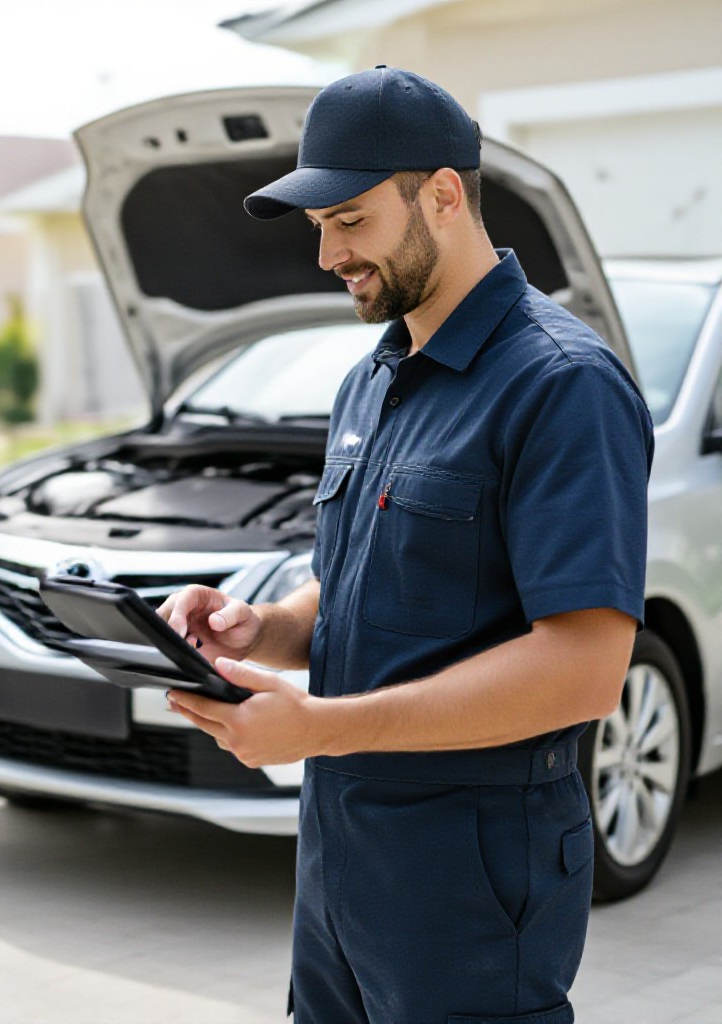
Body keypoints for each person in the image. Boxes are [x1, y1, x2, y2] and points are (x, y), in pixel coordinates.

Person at [158, 65, 654, 1024]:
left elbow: (586, 669)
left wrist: (321, 728)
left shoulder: (562, 386)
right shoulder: (373, 381)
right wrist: (258, 627)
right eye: (318, 230)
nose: (328, 256)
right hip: (341, 862)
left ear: (443, 194)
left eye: (350, 221)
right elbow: (353, 584)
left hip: (468, 878)